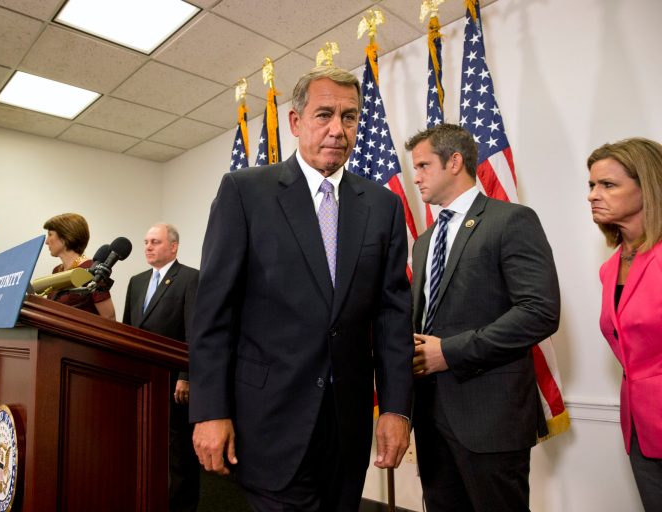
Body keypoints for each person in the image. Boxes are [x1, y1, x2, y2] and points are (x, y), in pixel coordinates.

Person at [189, 66, 413, 511]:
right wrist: (210, 409)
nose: (337, 129)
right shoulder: (245, 192)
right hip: (268, 422)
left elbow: (391, 317)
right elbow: (213, 313)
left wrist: (396, 408)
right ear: (295, 122)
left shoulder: (382, 206)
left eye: (349, 118)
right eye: (324, 114)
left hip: (346, 428)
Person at [405, 123, 560, 511]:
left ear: (454, 161)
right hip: (431, 417)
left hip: (489, 419)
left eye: (423, 165)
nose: (416, 177)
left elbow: (539, 312)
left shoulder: (510, 220)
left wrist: (450, 352)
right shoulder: (424, 243)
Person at [588, 137, 662, 511]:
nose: (593, 195)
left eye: (608, 185)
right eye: (592, 185)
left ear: (647, 186)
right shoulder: (609, 269)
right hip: (639, 429)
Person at [123, 223, 200, 512]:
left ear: (173, 247)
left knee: (177, 451)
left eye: (155, 241)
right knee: (147, 447)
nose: (148, 247)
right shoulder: (137, 281)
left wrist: (186, 376)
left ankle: (182, 506)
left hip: (173, 382)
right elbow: (128, 330)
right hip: (141, 380)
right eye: (146, 242)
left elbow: (194, 331)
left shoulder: (190, 278)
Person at [43, 212, 115, 320]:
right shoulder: (57, 270)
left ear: (65, 236)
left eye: (50, 234)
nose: (46, 242)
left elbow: (109, 317)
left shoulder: (92, 269)